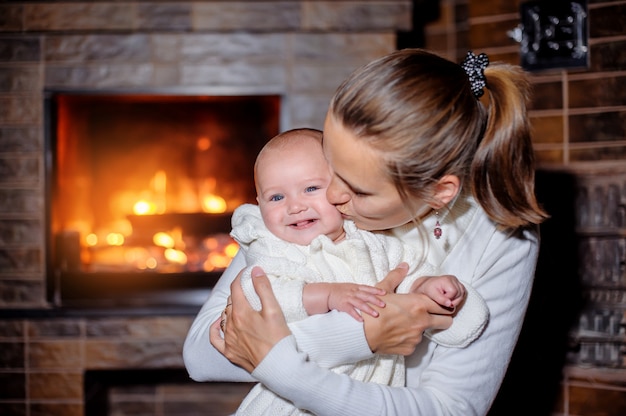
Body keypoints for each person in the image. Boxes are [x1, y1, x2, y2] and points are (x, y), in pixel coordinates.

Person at [183, 48, 548, 415]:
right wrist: (360, 336)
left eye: (358, 189)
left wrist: (281, 363)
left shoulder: (500, 238)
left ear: (440, 192)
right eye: (331, 166)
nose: (332, 195)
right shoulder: (302, 213)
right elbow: (202, 353)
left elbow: (451, 410)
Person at [229, 128, 488, 415]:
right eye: (276, 197)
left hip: (372, 393)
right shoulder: (273, 247)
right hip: (289, 404)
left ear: (342, 190)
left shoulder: (372, 241)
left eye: (311, 188)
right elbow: (258, 294)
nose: (295, 206)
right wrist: (327, 296)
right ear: (259, 204)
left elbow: (406, 271)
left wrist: (429, 286)